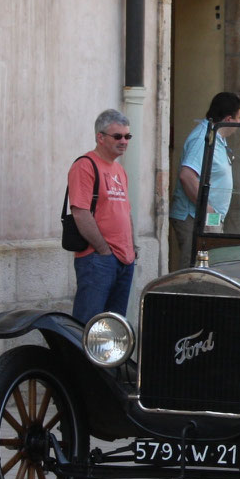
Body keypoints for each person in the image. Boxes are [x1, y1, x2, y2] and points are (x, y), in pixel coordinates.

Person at [68, 108, 138, 323]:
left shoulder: (119, 170)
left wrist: (132, 248)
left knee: (114, 328)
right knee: (88, 325)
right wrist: (103, 250)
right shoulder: (85, 165)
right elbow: (80, 212)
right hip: (98, 259)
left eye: (127, 136)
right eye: (117, 136)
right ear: (100, 137)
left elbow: (125, 212)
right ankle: (78, 359)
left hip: (124, 260)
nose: (124, 141)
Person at [169, 92, 240, 270]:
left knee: (209, 268)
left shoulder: (216, 137)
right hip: (195, 218)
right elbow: (187, 175)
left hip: (206, 217)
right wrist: (208, 211)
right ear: (228, 118)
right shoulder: (201, 138)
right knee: (194, 269)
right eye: (239, 118)